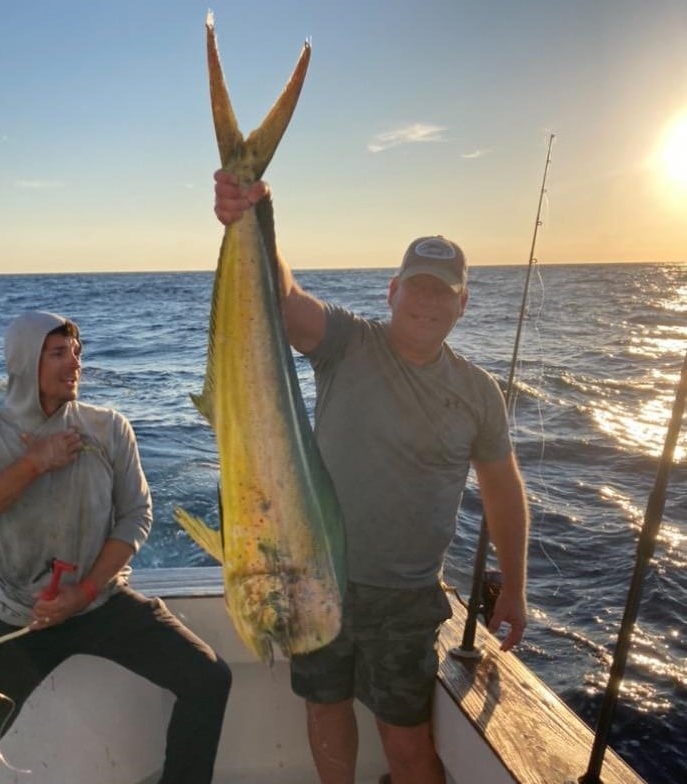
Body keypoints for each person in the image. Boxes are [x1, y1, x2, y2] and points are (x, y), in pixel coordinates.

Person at [213, 170, 529, 784]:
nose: (428, 302)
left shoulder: (478, 393)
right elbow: (283, 303)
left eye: (444, 292)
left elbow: (503, 492)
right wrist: (257, 214)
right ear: (391, 291)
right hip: (313, 577)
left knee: (405, 741)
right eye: (417, 287)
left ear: (463, 304)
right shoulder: (347, 342)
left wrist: (514, 587)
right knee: (325, 710)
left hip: (406, 599)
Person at [0, 310, 232, 783]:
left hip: (102, 602)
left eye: (76, 351)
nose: (74, 363)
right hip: (20, 616)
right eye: (58, 353)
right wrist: (33, 463)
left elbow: (137, 515)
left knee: (210, 678)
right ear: (23, 362)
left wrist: (86, 591)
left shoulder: (109, 427)